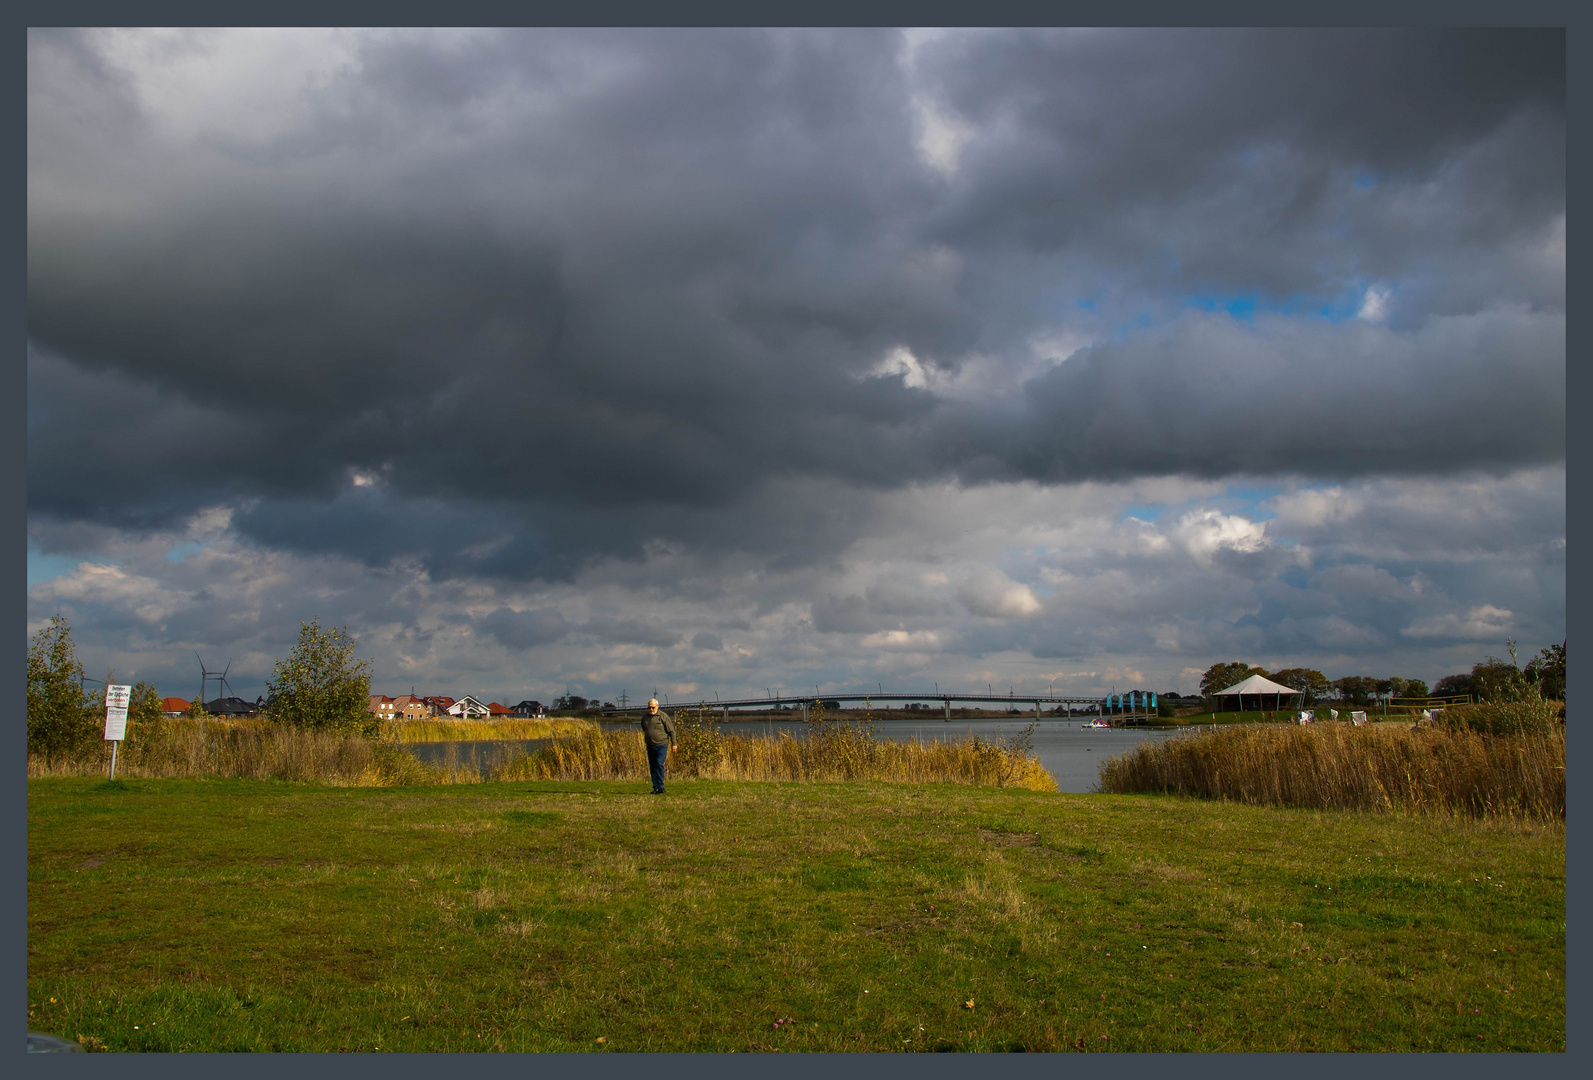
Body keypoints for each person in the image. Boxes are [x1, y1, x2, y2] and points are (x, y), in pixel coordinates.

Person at [640, 698, 676, 794]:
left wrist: (674, 743)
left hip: (661, 745)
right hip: (650, 745)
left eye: (653, 707)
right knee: (652, 766)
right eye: (649, 708)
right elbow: (644, 728)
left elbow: (671, 731)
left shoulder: (663, 716)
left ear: (657, 707)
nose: (651, 710)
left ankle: (660, 786)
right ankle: (655, 787)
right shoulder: (645, 717)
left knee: (659, 764)